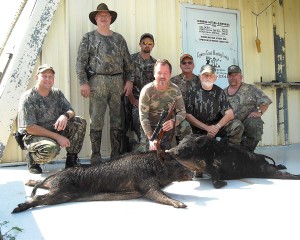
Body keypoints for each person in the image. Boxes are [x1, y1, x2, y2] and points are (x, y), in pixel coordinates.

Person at [76, 3, 133, 163]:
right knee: (97, 118)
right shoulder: (88, 38)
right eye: (100, 15)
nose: (103, 17)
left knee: (117, 119)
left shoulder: (119, 39)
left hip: (117, 81)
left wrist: (129, 80)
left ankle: (115, 156)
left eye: (106, 15)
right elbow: (80, 62)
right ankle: (95, 155)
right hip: (97, 81)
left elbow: (128, 63)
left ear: (110, 18)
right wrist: (83, 82)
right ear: (95, 18)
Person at [18, 64, 87, 174]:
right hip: (35, 135)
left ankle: (71, 161)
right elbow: (30, 128)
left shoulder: (57, 93)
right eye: (44, 76)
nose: (48, 79)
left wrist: (65, 116)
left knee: (79, 122)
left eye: (50, 77)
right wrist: (58, 137)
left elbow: (71, 111)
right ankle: (33, 158)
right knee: (51, 149)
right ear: (37, 77)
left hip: (54, 130)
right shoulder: (28, 98)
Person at [139, 59, 192, 151]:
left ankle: (185, 153)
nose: (162, 76)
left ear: (170, 74)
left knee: (185, 125)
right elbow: (143, 117)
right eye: (159, 73)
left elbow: (182, 112)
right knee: (145, 152)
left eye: (166, 73)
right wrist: (151, 138)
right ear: (154, 74)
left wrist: (173, 122)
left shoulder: (175, 90)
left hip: (168, 126)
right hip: (151, 127)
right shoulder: (147, 91)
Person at [185, 64, 244, 145]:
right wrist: (207, 128)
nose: (208, 77)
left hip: (216, 127)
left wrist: (216, 127)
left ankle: (228, 152)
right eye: (205, 75)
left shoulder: (219, 92)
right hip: (198, 128)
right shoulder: (191, 92)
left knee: (237, 125)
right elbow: (187, 115)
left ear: (215, 78)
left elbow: (230, 114)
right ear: (200, 77)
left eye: (211, 75)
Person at [224, 65, 272, 151]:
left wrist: (259, 112)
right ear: (227, 77)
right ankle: (232, 151)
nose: (233, 77)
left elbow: (265, 101)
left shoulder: (251, 89)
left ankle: (248, 152)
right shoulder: (222, 92)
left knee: (254, 123)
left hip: (247, 123)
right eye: (230, 75)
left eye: (235, 75)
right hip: (231, 125)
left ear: (241, 76)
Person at [127, 33, 157, 151]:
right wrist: (132, 99)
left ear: (153, 46)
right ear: (140, 44)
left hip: (147, 101)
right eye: (144, 43)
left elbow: (155, 85)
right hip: (131, 99)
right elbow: (126, 81)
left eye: (150, 44)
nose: (147, 45)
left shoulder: (155, 63)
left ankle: (144, 148)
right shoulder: (131, 59)